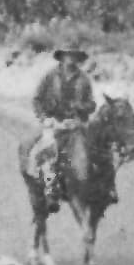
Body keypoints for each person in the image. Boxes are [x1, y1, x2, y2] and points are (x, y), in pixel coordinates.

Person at [29, 44, 97, 210]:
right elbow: (37, 100)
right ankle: (50, 190)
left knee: (93, 152)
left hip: (75, 125)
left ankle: (96, 189)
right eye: (68, 55)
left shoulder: (84, 80)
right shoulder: (50, 77)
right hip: (54, 123)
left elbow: (91, 105)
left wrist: (81, 108)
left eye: (74, 56)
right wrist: (45, 118)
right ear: (62, 57)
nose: (71, 59)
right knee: (47, 152)